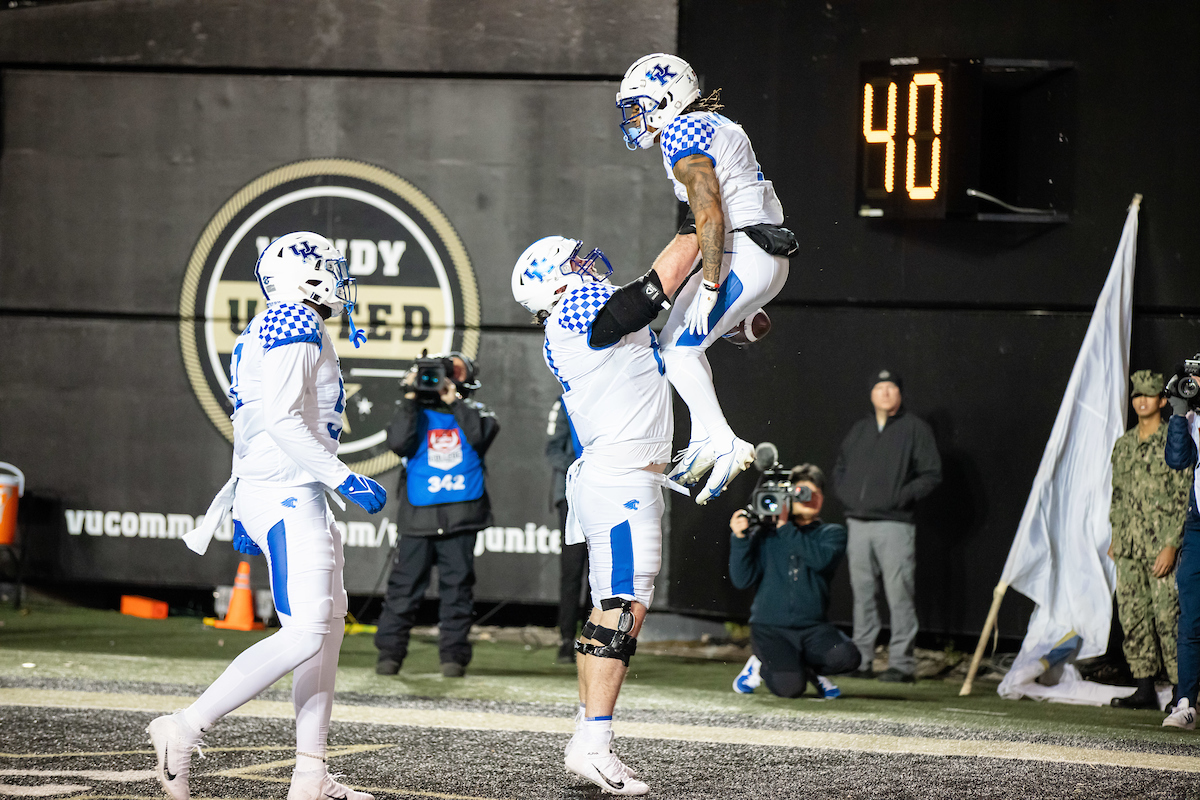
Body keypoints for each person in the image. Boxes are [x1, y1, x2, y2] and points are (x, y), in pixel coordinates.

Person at [151, 232, 388, 800]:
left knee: (327, 628)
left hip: (280, 488)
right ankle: (182, 728)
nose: (338, 275)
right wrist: (343, 477)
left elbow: (256, 421)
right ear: (304, 275)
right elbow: (282, 421)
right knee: (307, 630)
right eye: (329, 266)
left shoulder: (280, 322)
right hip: (288, 490)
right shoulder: (292, 320)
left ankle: (310, 774)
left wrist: (245, 502)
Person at [512, 234, 690, 795]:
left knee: (612, 607)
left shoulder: (579, 315)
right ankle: (593, 743)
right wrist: (694, 225)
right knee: (623, 607)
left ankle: (586, 735)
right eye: (575, 262)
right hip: (621, 482)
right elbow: (648, 295)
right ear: (556, 281)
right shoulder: (575, 310)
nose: (589, 265)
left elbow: (653, 318)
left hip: (617, 477)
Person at [615, 53, 795, 505]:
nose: (633, 117)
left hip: (743, 251)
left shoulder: (681, 131)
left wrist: (712, 284)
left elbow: (709, 212)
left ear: (665, 98)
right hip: (760, 251)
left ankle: (723, 440)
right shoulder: (712, 124)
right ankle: (703, 435)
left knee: (678, 352)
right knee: (677, 345)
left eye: (639, 105)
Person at [374, 352, 498, 678]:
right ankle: (389, 655)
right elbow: (398, 442)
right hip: (418, 519)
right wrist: (412, 396)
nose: (442, 380)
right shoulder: (413, 412)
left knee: (457, 592)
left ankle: (453, 658)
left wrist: (453, 401)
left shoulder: (475, 413)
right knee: (403, 590)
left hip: (461, 517)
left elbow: (482, 435)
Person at [833, 369, 941, 683]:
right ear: (871, 393)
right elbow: (840, 466)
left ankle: (902, 665)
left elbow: (931, 473)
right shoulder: (860, 429)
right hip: (858, 523)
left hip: (894, 525)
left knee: (899, 595)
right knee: (862, 595)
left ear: (900, 393)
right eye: (879, 387)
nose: (885, 392)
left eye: (891, 387)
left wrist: (900, 497)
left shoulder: (915, 429)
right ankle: (862, 660)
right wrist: (848, 495)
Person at [728, 464, 861, 698]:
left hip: (812, 628)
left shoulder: (831, 534)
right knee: (790, 688)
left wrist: (785, 526)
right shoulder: (765, 534)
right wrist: (740, 538)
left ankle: (807, 668)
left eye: (814, 494)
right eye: (800, 493)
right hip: (770, 629)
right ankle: (759, 664)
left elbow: (820, 560)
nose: (808, 499)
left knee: (848, 657)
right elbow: (742, 580)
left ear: (822, 499)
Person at [1109, 370, 1191, 710]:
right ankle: (1144, 688)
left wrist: (1172, 543)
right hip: (1128, 547)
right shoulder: (1124, 444)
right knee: (1133, 617)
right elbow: (1117, 495)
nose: (1141, 400)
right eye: (1136, 395)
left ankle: (1180, 692)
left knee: (1168, 618)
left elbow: (1183, 495)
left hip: (1160, 547)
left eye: (1149, 394)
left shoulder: (1173, 440)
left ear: (1162, 400)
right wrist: (1116, 537)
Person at [1163, 367, 1200, 728]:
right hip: (1198, 526)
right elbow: (1177, 459)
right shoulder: (1193, 415)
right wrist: (1178, 410)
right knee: (1190, 618)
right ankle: (1185, 701)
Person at [547, 397, 589, 664]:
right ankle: (566, 639)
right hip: (572, 497)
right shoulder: (565, 402)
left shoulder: (610, 396)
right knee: (572, 570)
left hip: (605, 495)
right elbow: (553, 450)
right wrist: (583, 468)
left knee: (600, 573)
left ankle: (592, 637)